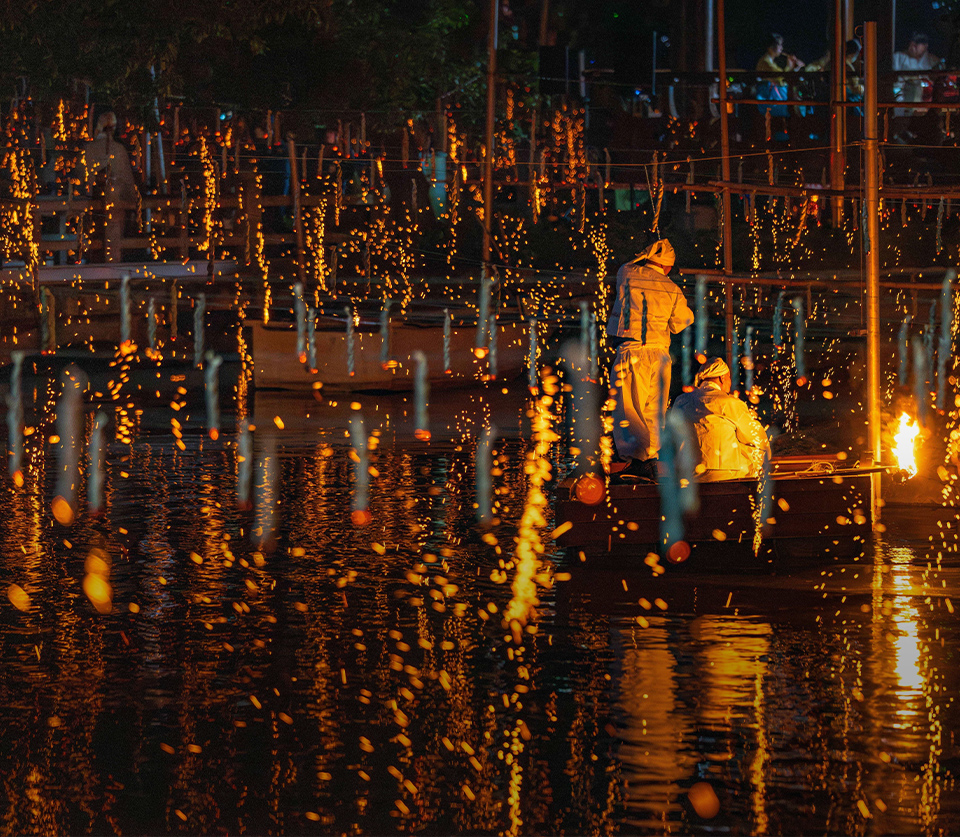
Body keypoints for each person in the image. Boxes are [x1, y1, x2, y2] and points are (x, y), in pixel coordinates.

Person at [606, 238, 694, 482]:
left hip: (632, 351)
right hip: (660, 355)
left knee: (628, 408)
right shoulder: (672, 288)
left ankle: (637, 461)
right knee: (653, 411)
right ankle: (653, 459)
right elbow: (682, 323)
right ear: (667, 267)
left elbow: (629, 264)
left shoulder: (629, 272)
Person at [669, 357, 770, 482]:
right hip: (727, 472)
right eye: (729, 379)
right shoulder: (729, 402)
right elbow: (756, 436)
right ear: (723, 378)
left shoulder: (681, 400)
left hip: (688, 473)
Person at [85, 111, 139, 262]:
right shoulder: (118, 150)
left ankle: (96, 268)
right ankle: (112, 269)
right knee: (113, 240)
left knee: (94, 238)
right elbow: (127, 180)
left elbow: (83, 176)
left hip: (93, 203)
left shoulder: (90, 149)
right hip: (115, 205)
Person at [893, 32, 939, 123]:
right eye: (912, 44)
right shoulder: (898, 57)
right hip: (901, 98)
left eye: (917, 45)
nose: (913, 47)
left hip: (924, 103)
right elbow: (895, 82)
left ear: (925, 46)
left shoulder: (933, 61)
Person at [755, 33, 805, 119]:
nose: (782, 48)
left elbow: (782, 78)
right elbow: (781, 80)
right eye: (780, 45)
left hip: (774, 98)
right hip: (770, 101)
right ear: (771, 46)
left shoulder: (768, 62)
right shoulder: (765, 63)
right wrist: (790, 66)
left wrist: (794, 67)